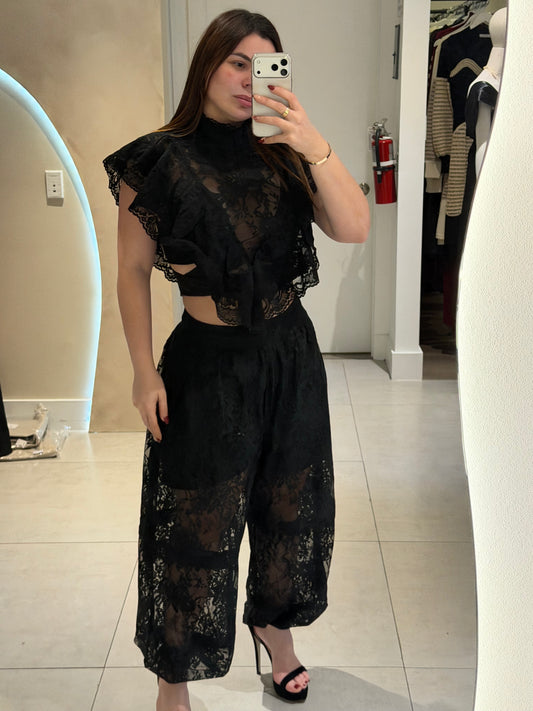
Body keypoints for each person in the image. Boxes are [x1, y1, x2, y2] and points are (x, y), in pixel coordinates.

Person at [103, 9, 369, 711]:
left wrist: (310, 140)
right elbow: (131, 270)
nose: (251, 80)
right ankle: (173, 682)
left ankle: (274, 630)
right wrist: (142, 370)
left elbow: (354, 226)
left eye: (266, 66)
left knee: (290, 506)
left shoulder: (287, 150)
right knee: (194, 521)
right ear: (207, 65)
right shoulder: (155, 160)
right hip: (205, 365)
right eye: (237, 64)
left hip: (289, 357)